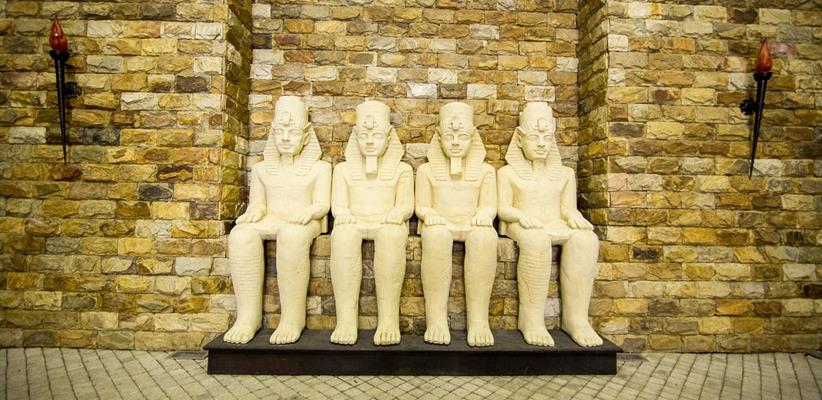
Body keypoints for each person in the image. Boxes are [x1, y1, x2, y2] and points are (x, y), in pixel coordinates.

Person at [223, 96, 331, 345]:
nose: (285, 138)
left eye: (293, 132)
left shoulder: (320, 168)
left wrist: (310, 212)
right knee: (241, 235)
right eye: (280, 132)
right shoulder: (261, 170)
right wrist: (254, 212)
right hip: (271, 218)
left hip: (305, 221)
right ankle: (247, 317)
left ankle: (292, 318)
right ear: (272, 133)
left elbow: (322, 204)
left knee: (291, 235)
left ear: (306, 136)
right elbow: (259, 203)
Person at [497, 102, 602, 347]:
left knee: (586, 239)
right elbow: (503, 209)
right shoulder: (507, 173)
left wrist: (574, 217)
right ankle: (531, 319)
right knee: (537, 240)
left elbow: (568, 208)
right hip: (521, 224)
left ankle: (576, 319)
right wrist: (520, 216)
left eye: (547, 138)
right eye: (534, 138)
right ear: (520, 140)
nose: (542, 144)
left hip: (555, 222)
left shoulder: (565, 174)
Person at [329, 100, 414, 346]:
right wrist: (344, 214)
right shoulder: (343, 170)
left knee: (390, 235)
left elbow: (405, 206)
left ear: (388, 138)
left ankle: (388, 320)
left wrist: (397, 213)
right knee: (343, 236)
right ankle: (346, 320)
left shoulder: (402, 170)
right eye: (364, 136)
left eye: (376, 136)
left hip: (387, 222)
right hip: (354, 222)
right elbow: (338, 206)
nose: (369, 141)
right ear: (355, 137)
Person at [416, 102, 498, 347]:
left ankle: (479, 321)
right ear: (439, 137)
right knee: (436, 236)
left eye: (462, 137)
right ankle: (436, 320)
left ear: (473, 138)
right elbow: (422, 206)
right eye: (449, 137)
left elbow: (489, 206)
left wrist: (484, 215)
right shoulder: (426, 171)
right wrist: (430, 215)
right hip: (440, 223)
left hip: (472, 223)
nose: (455, 143)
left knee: (485, 237)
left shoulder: (485, 171)